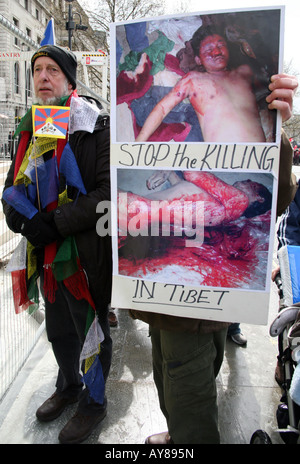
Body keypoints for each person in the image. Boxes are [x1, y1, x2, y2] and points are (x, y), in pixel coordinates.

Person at [129, 72, 298, 444]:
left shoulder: (237, 191)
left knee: (187, 386)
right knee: (170, 372)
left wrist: (276, 131)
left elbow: (278, 195)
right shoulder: (195, 139)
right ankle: (179, 431)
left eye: (251, 187)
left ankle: (186, 435)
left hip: (189, 302)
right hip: (169, 295)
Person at [1, 45, 112, 445]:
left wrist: (56, 222)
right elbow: (13, 188)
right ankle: (69, 386)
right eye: (36, 70)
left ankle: (94, 402)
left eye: (52, 70)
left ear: (69, 80)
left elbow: (105, 194)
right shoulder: (34, 126)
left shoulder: (95, 126)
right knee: (58, 330)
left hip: (84, 256)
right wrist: (25, 221)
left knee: (89, 329)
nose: (43, 77)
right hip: (45, 255)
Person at [136, 25, 268, 143]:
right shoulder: (193, 80)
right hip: (222, 164)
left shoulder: (245, 72)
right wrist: (138, 142)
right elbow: (162, 108)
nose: (216, 52)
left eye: (220, 46)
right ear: (198, 60)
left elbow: (269, 97)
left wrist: (283, 113)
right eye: (208, 50)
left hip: (260, 161)